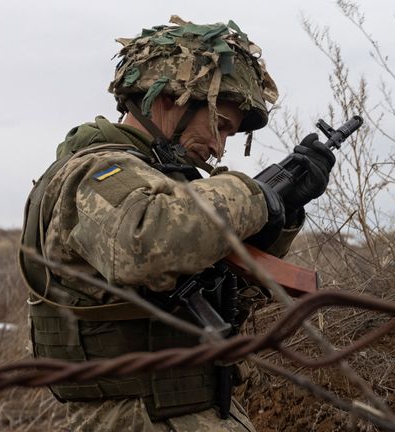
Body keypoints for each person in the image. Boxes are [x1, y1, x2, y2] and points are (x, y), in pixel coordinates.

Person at [18, 16, 335, 431]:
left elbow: (228, 292)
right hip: (132, 414)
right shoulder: (95, 172)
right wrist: (255, 195)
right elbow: (146, 242)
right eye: (219, 125)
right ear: (171, 98)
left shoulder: (167, 185)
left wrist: (284, 213)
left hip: (188, 409)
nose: (219, 147)